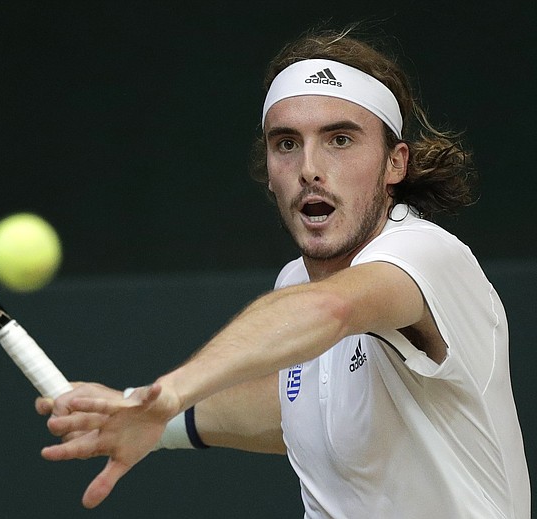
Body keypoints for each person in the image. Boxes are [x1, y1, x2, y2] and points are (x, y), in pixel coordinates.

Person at [36, 27, 531, 518]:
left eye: (340, 139)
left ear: (394, 164)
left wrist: (172, 391)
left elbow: (332, 309)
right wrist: (149, 416)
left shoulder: (426, 257)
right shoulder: (295, 281)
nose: (310, 167)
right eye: (287, 143)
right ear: (269, 171)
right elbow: (302, 413)